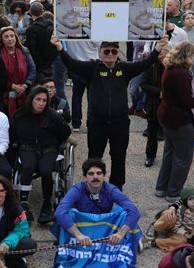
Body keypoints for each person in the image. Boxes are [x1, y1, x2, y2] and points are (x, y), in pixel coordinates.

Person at [53, 35, 164, 188]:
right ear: (100, 52)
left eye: (114, 51)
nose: (110, 54)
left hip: (120, 123)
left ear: (118, 52)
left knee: (119, 158)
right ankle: (92, 186)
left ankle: (117, 189)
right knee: (94, 158)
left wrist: (158, 48)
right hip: (97, 123)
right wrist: (59, 47)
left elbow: (145, 63)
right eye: (107, 51)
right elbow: (72, 64)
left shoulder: (124, 68)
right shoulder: (92, 68)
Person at [10, 85, 72, 223]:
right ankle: (24, 203)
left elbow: (66, 133)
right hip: (27, 147)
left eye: (44, 100)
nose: (41, 103)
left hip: (48, 148)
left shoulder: (53, 115)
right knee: (27, 166)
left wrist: (59, 143)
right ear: (31, 99)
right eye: (38, 99)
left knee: (46, 170)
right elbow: (13, 134)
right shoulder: (20, 115)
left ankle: (46, 204)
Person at [54, 158, 141, 246]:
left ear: (104, 176)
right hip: (82, 227)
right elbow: (60, 212)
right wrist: (78, 235)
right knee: (68, 215)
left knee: (124, 214)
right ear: (85, 177)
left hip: (103, 225)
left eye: (99, 173)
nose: (95, 177)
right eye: (91, 174)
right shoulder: (76, 190)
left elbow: (134, 211)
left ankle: (133, 242)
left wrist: (120, 234)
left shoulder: (111, 190)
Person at [154, 42, 194, 201]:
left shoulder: (170, 69)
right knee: (183, 157)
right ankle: (174, 193)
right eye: (193, 54)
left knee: (169, 153)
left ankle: (161, 188)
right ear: (186, 55)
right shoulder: (180, 73)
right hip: (179, 119)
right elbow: (186, 100)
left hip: (166, 115)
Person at [150, 185, 194, 252]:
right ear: (185, 201)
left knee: (182, 241)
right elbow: (176, 227)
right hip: (177, 227)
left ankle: (155, 242)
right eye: (190, 199)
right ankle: (153, 227)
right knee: (169, 215)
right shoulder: (181, 210)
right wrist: (185, 233)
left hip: (183, 233)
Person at [0, 26, 36, 118]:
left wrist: (25, 85)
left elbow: (32, 69)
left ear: (15, 37)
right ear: (2, 40)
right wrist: (13, 86)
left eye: (12, 36)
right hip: (5, 95)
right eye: (6, 37)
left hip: (25, 91)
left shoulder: (24, 51)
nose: (10, 39)